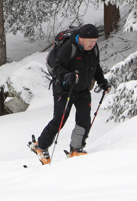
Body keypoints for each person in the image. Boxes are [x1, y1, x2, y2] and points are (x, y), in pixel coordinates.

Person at [31, 24, 111, 164]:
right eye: (90, 41)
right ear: (81, 38)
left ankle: (76, 148)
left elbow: (95, 67)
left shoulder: (93, 49)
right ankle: (41, 146)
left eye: (95, 41)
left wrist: (102, 81)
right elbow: (57, 67)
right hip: (64, 90)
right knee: (59, 120)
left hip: (82, 89)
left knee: (84, 119)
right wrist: (66, 76)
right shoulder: (69, 47)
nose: (93, 44)